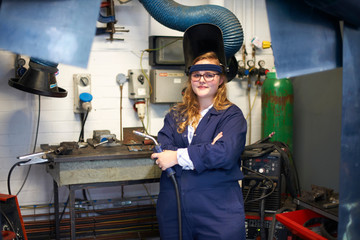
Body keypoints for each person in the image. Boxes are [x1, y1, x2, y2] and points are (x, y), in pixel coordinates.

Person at [151, 51, 247, 239]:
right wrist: (206, 149)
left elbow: (224, 153)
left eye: (209, 75)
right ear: (190, 79)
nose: (202, 80)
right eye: (196, 75)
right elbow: (162, 146)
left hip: (216, 211)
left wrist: (176, 157)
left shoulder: (231, 116)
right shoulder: (176, 114)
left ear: (220, 80)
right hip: (174, 209)